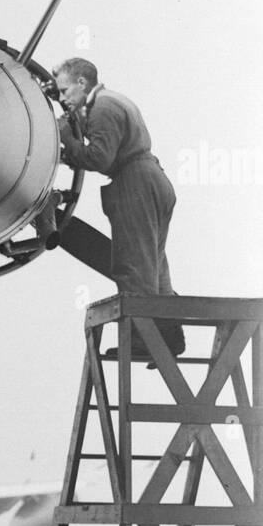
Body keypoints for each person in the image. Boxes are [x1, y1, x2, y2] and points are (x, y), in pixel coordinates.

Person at [53, 58, 184, 359]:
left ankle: (142, 341)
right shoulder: (112, 100)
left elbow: (99, 158)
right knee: (153, 265)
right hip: (152, 179)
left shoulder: (102, 108)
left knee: (133, 266)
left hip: (134, 182)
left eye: (64, 90)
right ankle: (170, 338)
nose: (61, 98)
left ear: (82, 83)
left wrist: (68, 141)